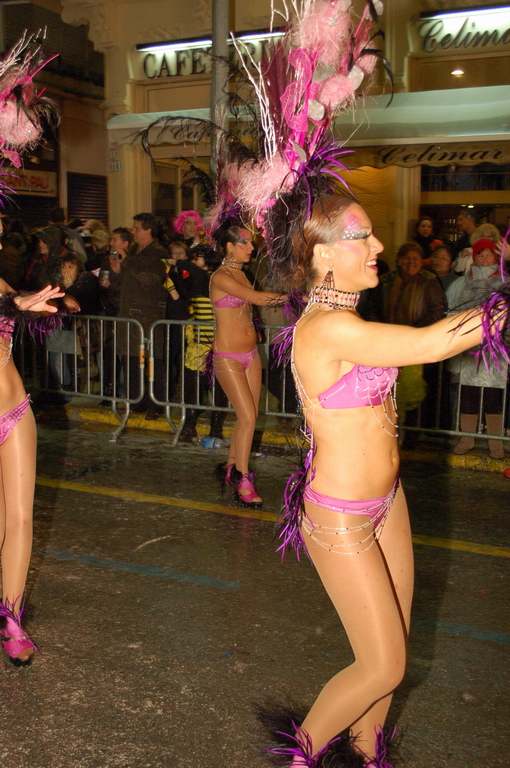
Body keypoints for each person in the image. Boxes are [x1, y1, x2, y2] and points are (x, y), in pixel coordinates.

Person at [209, 224, 287, 507]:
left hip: (251, 355)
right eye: (245, 242)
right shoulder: (220, 276)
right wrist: (291, 297)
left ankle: (230, 468)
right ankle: (243, 480)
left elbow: (247, 307)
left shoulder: (242, 273)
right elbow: (255, 298)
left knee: (250, 418)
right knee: (248, 418)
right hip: (228, 357)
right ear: (229, 246)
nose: (251, 247)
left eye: (251, 242)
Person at [446, 238, 508, 459]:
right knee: (468, 394)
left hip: (496, 349)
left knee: (494, 397)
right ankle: (467, 438)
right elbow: (451, 311)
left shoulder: (505, 282)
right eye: (479, 255)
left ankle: (496, 443)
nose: (484, 259)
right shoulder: (461, 284)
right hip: (468, 348)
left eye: (488, 255)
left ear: (495, 257)